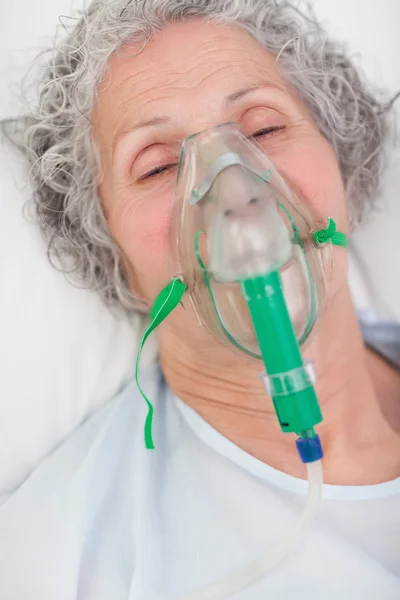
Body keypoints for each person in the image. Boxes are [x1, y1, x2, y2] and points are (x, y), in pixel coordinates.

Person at [1, 1, 400, 598]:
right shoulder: (65, 559)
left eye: (264, 129)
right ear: (110, 256)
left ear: (343, 161)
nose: (236, 192)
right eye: (159, 167)